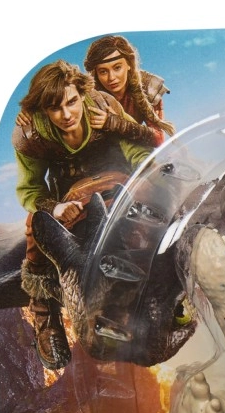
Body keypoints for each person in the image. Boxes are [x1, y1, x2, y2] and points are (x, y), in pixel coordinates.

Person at [13, 60, 151, 369]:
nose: (66, 114)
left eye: (72, 102)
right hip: (69, 198)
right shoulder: (30, 134)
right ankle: (45, 312)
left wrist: (146, 180)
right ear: (42, 110)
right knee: (35, 228)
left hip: (116, 183)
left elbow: (138, 151)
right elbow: (29, 188)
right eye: (55, 108)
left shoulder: (104, 107)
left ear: (82, 94)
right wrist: (54, 207)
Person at [84, 35, 174, 147]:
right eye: (103, 71)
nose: (111, 77)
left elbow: (158, 139)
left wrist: (117, 123)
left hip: (135, 151)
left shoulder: (148, 87)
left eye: (117, 68)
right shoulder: (88, 96)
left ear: (129, 64)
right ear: (96, 73)